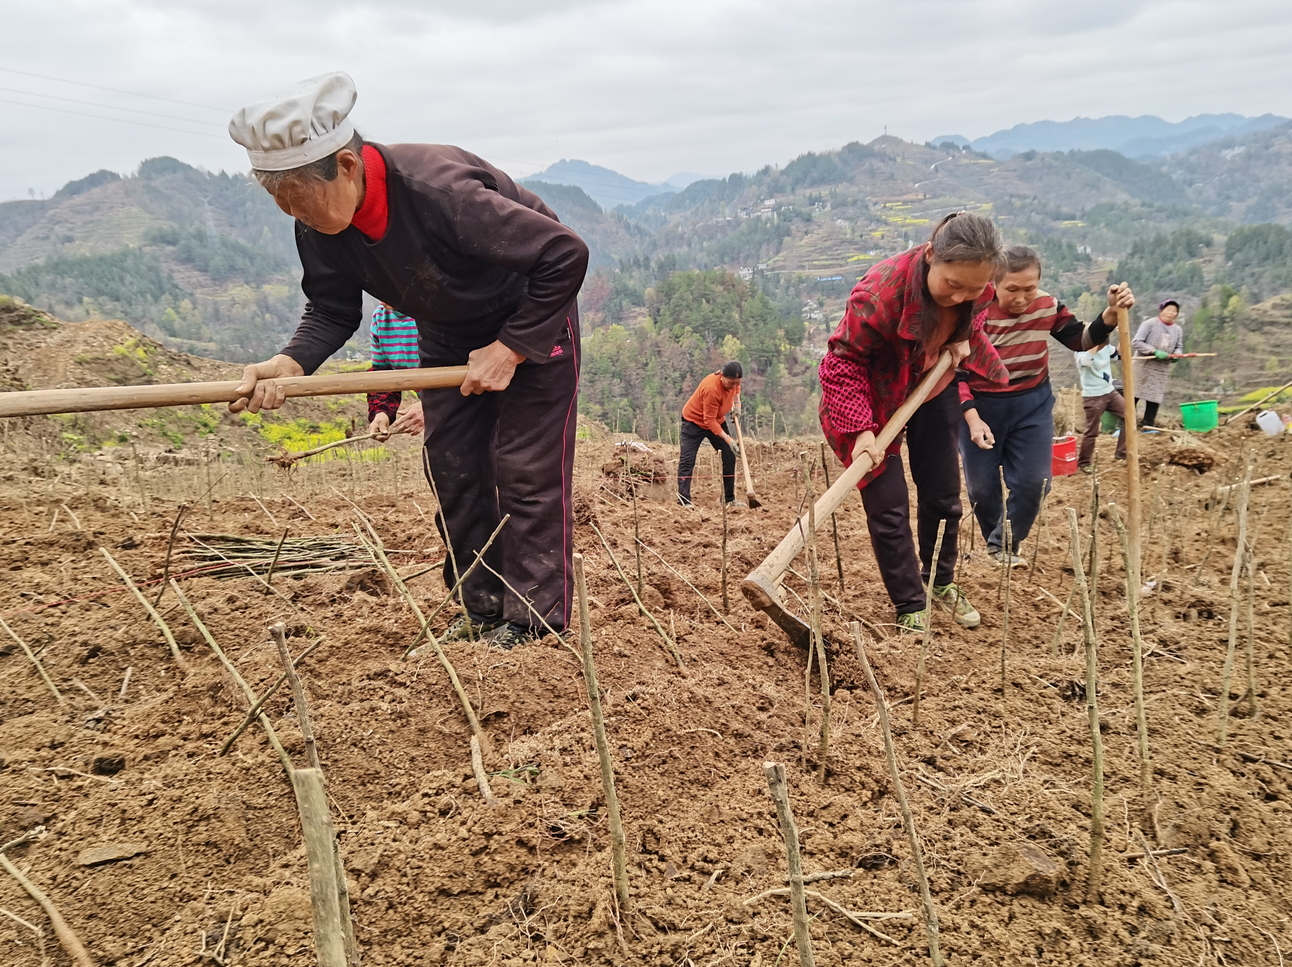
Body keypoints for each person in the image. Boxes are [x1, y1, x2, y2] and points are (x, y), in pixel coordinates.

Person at [226, 72, 588, 649]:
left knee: (525, 471)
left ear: (346, 166)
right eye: (280, 202)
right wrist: (288, 365)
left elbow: (564, 255)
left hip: (530, 319)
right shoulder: (318, 226)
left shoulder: (439, 193)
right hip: (446, 334)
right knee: (455, 468)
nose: (296, 214)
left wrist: (512, 346)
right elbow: (330, 309)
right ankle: (481, 609)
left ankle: (535, 623)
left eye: (299, 197)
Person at [819, 211, 1008, 634]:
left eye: (973, 289)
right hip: (870, 400)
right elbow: (841, 365)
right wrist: (862, 430)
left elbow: (977, 310)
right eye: (952, 285)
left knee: (942, 494)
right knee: (888, 506)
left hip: (930, 385)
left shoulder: (977, 289)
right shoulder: (879, 295)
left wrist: (962, 338)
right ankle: (909, 601)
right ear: (929, 257)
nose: (961, 297)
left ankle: (939, 581)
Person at [958, 246, 1135, 566]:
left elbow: (1080, 339)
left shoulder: (1047, 305)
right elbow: (954, 370)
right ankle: (994, 538)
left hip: (1031, 404)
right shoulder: (974, 312)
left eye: (1030, 288)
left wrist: (1109, 314)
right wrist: (971, 417)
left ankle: (1004, 546)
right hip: (981, 404)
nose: (1022, 297)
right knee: (982, 490)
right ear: (993, 283)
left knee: (1035, 482)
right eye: (1012, 289)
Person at [677, 361, 742, 508]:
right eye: (730, 383)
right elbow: (709, 421)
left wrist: (737, 404)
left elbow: (737, 387)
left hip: (717, 420)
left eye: (736, 383)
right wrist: (729, 439)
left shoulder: (734, 380)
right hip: (693, 422)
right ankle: (684, 500)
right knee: (687, 461)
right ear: (722, 376)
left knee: (729, 455)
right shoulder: (711, 389)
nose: (733, 386)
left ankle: (728, 499)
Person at [366, 303, 424, 440]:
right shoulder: (380, 317)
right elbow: (383, 374)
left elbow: (472, 370)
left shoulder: (440, 308)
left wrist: (432, 406)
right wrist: (381, 412)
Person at [1075, 341, 1128, 472]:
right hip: (1093, 396)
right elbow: (1085, 363)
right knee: (1092, 431)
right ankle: (1084, 462)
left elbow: (1118, 356)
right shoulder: (1080, 350)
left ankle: (1122, 452)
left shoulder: (1106, 347)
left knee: (1129, 416)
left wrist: (1121, 336)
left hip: (1110, 391)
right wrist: (1095, 345)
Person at [1132, 299, 1184, 427]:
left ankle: (1148, 424)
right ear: (1161, 311)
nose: (1171, 313)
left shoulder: (1177, 330)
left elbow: (1179, 346)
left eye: (1174, 311)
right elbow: (1136, 342)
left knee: (1154, 397)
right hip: (1142, 366)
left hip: (1161, 368)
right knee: (1133, 395)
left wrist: (1177, 354)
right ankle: (1126, 424)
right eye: (1168, 310)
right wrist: (1153, 351)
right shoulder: (1149, 324)